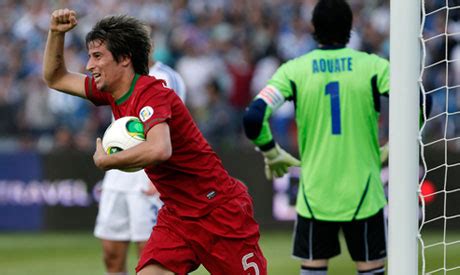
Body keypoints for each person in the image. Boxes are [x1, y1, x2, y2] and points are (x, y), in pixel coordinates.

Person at [43, 9, 266, 275]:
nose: (89, 65)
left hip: (217, 210)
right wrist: (56, 33)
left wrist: (108, 160)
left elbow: (160, 149)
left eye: (97, 56)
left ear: (125, 58)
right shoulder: (114, 92)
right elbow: (55, 77)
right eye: (90, 56)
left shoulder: (151, 92)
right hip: (178, 215)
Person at [243, 0, 388, 274]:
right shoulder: (374, 67)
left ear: (314, 29)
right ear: (350, 28)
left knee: (313, 268)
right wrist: (397, 145)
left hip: (315, 195)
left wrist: (271, 152)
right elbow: (419, 102)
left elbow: (253, 116)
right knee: (370, 268)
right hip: (365, 191)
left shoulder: (294, 70)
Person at [93, 50, 186, 274]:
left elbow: (175, 128)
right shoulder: (118, 75)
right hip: (117, 174)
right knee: (111, 253)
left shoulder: (166, 77)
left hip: (149, 173)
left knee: (150, 255)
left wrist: (160, 178)